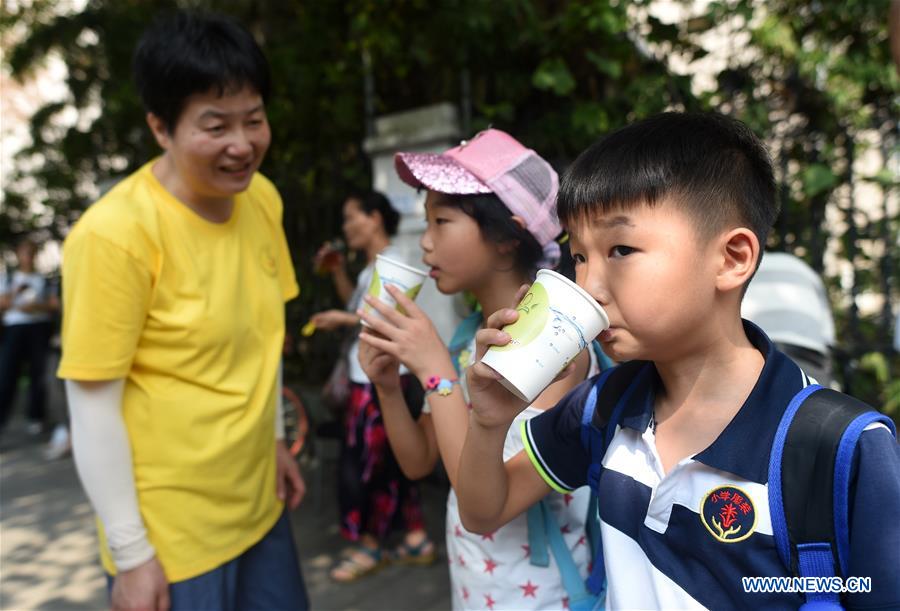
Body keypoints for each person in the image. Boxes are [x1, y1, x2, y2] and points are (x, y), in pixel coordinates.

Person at [455, 113, 900, 609]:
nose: (589, 286)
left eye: (621, 249)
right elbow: (483, 512)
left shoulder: (837, 445)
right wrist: (490, 420)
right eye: (579, 257)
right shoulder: (603, 406)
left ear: (732, 258)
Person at [57, 11, 308, 610]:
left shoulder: (261, 199)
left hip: (260, 506)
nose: (242, 144)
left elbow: (264, 340)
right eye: (215, 126)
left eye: (254, 119)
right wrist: (131, 554)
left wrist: (275, 439)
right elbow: (91, 404)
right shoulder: (115, 235)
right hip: (171, 542)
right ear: (160, 127)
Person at [357, 129, 601, 610]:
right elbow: (419, 462)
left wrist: (436, 373)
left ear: (507, 236)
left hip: (545, 598)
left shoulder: (557, 349)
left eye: (442, 221)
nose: (425, 242)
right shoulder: (467, 339)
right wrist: (388, 386)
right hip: (475, 592)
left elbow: (481, 505)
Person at [309, 191, 432, 582]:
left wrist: (339, 319)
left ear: (375, 217)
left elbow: (382, 321)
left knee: (366, 467)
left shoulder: (393, 262)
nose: (346, 227)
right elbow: (358, 309)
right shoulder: (372, 268)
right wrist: (337, 274)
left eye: (351, 217)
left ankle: (369, 544)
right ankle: (415, 537)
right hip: (376, 376)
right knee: (391, 462)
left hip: (379, 379)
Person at [741, 251, 836, 387]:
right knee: (811, 398)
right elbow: (828, 335)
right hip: (807, 354)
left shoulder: (741, 268)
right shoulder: (803, 269)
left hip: (756, 351)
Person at [0, 238, 59, 435]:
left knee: (38, 373)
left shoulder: (44, 279)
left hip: (38, 328)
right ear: (18, 254)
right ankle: (2, 418)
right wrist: (15, 293)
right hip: (14, 328)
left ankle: (36, 417)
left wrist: (36, 307)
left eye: (31, 253)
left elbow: (54, 305)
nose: (28, 257)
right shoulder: (8, 278)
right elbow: (2, 304)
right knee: (7, 373)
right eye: (25, 252)